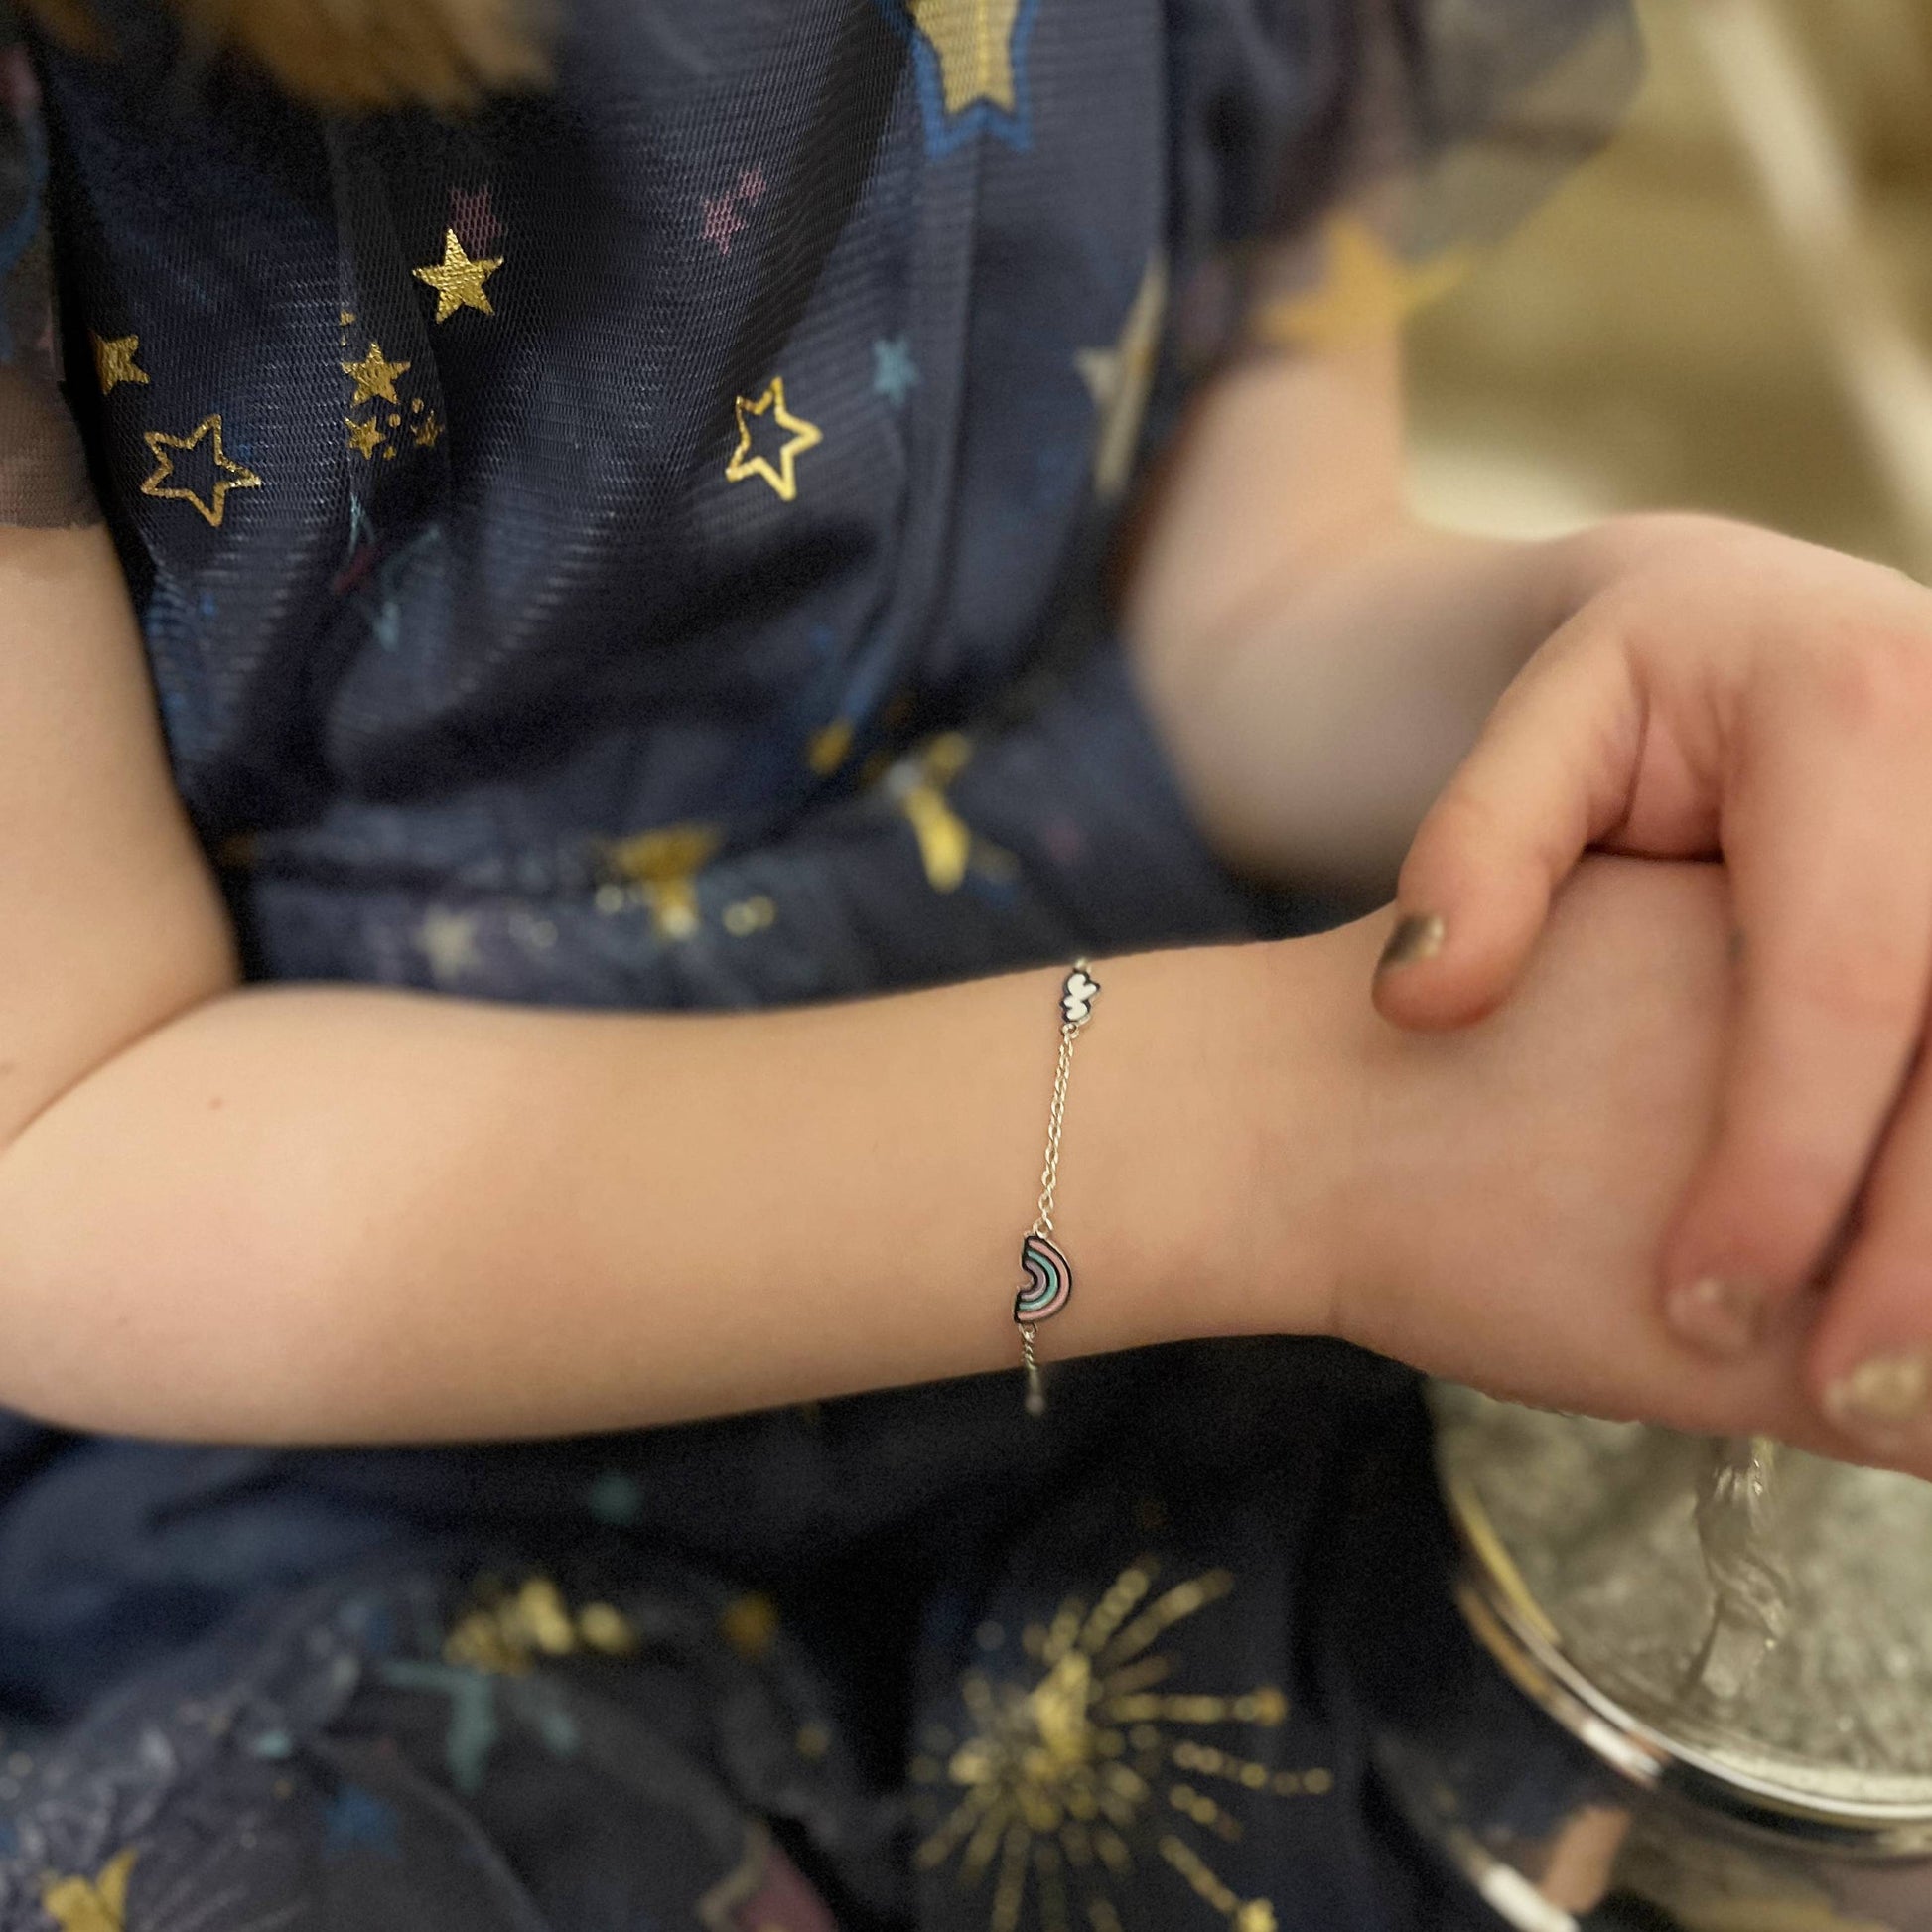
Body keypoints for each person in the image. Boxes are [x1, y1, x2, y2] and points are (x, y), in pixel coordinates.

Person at [1, 0, 1930, 1925]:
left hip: (1194, 1290)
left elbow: (1242, 609)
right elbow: (58, 1131)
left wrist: (1625, 642)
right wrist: (1287, 1134)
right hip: (364, 1466)